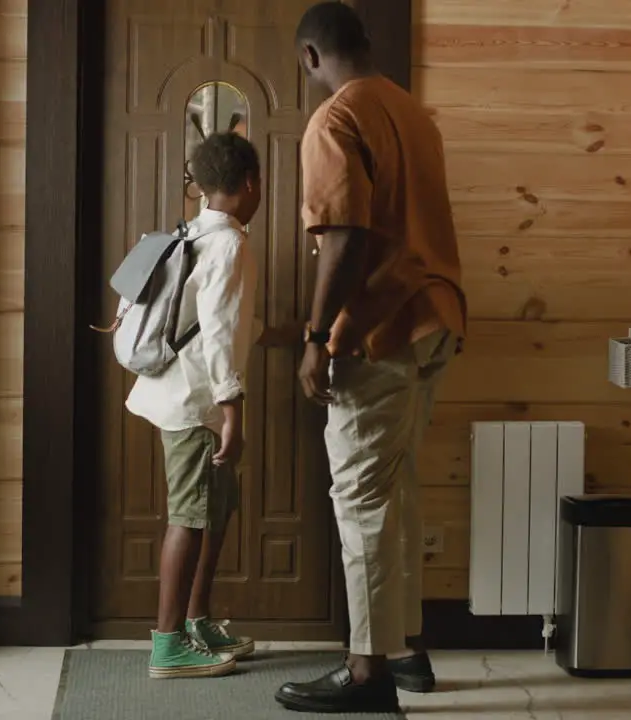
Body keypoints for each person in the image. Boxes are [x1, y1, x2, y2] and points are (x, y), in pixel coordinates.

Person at [273, 2, 467, 713]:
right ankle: (407, 649)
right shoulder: (413, 114)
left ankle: (366, 672)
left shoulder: (336, 119)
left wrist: (317, 339)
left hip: (379, 330)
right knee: (399, 489)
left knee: (360, 497)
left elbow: (345, 238)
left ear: (309, 57)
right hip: (437, 317)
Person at [125, 132, 262, 679]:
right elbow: (220, 333)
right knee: (189, 516)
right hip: (194, 401)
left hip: (175, 390)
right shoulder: (229, 244)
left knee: (216, 508)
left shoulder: (186, 235)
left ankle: (197, 618)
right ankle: (168, 644)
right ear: (250, 185)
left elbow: (221, 320)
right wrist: (233, 412)